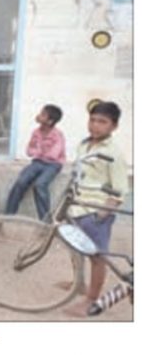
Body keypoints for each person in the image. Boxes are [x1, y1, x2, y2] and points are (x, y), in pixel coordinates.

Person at [64, 101, 129, 317]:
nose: (95, 125)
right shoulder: (84, 145)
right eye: (92, 120)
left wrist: (101, 215)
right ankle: (79, 284)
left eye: (102, 122)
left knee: (97, 257)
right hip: (77, 206)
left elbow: (120, 191)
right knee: (76, 246)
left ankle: (91, 300)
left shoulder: (114, 153)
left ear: (114, 126)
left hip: (94, 211)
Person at [4, 104, 66, 220]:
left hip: (53, 165)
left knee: (40, 184)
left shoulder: (57, 135)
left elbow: (54, 154)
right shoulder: (36, 132)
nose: (39, 116)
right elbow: (29, 151)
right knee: (21, 182)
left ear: (50, 121)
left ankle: (45, 221)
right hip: (38, 162)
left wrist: (38, 151)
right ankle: (8, 216)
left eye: (43, 115)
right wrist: (38, 152)